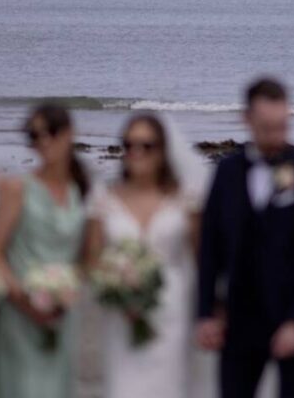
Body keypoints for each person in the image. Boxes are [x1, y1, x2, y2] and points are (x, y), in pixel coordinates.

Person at [197, 78, 294, 398]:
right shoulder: (227, 172)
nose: (276, 136)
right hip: (238, 320)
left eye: (282, 126)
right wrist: (204, 313)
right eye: (267, 127)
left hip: (293, 318)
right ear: (248, 119)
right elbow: (210, 245)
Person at [83, 112, 209, 398]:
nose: (136, 153)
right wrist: (114, 288)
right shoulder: (103, 198)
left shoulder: (186, 198)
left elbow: (202, 257)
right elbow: (91, 259)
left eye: (147, 146)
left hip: (172, 310)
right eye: (129, 145)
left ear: (162, 150)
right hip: (121, 313)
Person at [0, 103, 93, 398]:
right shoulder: (18, 189)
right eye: (34, 135)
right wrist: (23, 297)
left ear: (69, 134)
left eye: (52, 132)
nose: (43, 141)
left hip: (62, 314)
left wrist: (69, 290)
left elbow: (84, 258)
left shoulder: (78, 190)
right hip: (19, 313)